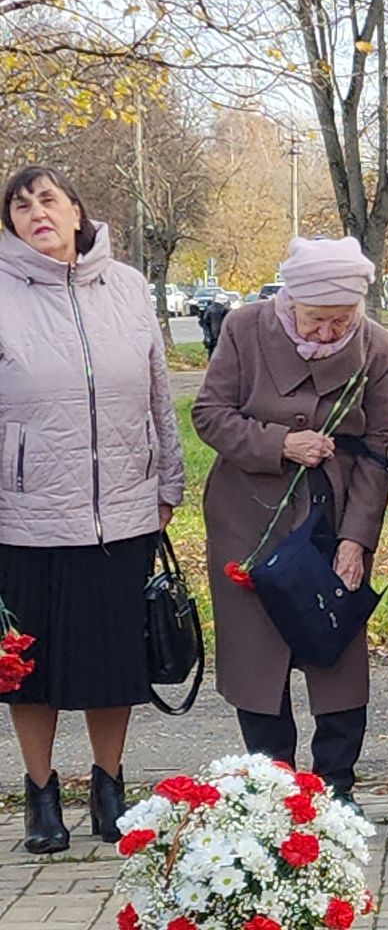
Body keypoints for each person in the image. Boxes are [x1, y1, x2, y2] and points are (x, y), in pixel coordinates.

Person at [0, 166, 185, 854]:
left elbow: (158, 391)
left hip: (123, 512)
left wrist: (169, 480)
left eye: (47, 199)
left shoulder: (128, 287)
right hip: (25, 514)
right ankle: (40, 794)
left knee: (113, 662)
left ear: (77, 212)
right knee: (31, 669)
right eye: (20, 207)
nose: (36, 213)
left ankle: (110, 787)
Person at [192, 237, 388, 814]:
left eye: (342, 320)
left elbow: (381, 449)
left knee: (337, 647)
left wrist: (357, 538)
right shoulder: (245, 329)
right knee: (256, 655)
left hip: (332, 514)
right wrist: (279, 443)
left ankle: (336, 787)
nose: (329, 332)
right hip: (248, 516)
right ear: (290, 300)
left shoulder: (377, 347)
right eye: (316, 319)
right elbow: (209, 414)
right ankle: (272, 787)